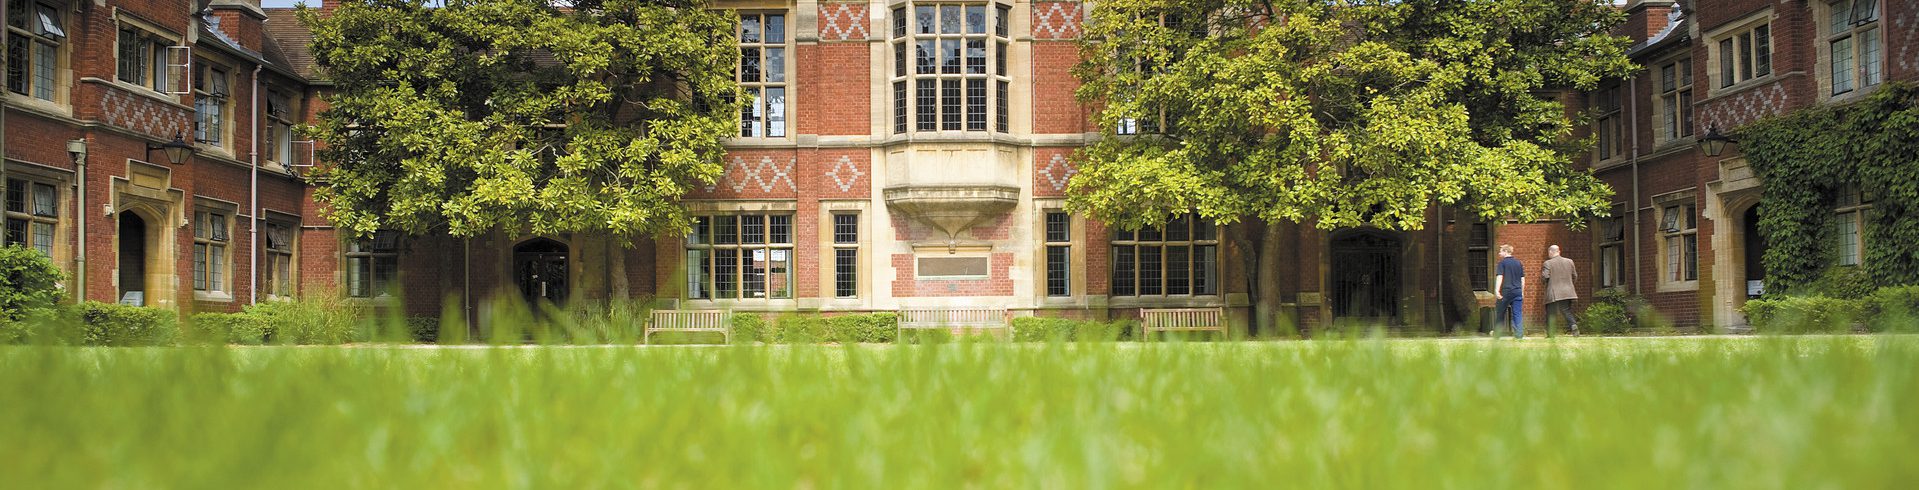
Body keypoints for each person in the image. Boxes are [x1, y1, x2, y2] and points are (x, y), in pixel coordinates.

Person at [1541, 245, 1580, 336]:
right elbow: (1575, 276)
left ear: (1551, 252)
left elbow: (1545, 276)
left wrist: (1545, 284)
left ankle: (1551, 334)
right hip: (1568, 291)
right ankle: (1573, 325)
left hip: (1553, 292)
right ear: (1559, 251)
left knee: (1551, 313)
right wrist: (1570, 285)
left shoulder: (1548, 263)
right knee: (1566, 310)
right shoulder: (1570, 261)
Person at [1493, 244, 1525, 339]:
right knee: (1517, 313)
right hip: (1517, 291)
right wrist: (1522, 291)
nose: (1499, 253)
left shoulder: (1502, 263)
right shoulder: (1518, 263)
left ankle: (1497, 334)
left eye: (1501, 251)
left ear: (1506, 252)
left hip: (1506, 291)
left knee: (1500, 312)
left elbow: (1500, 276)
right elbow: (1522, 279)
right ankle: (1519, 335)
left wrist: (1497, 290)